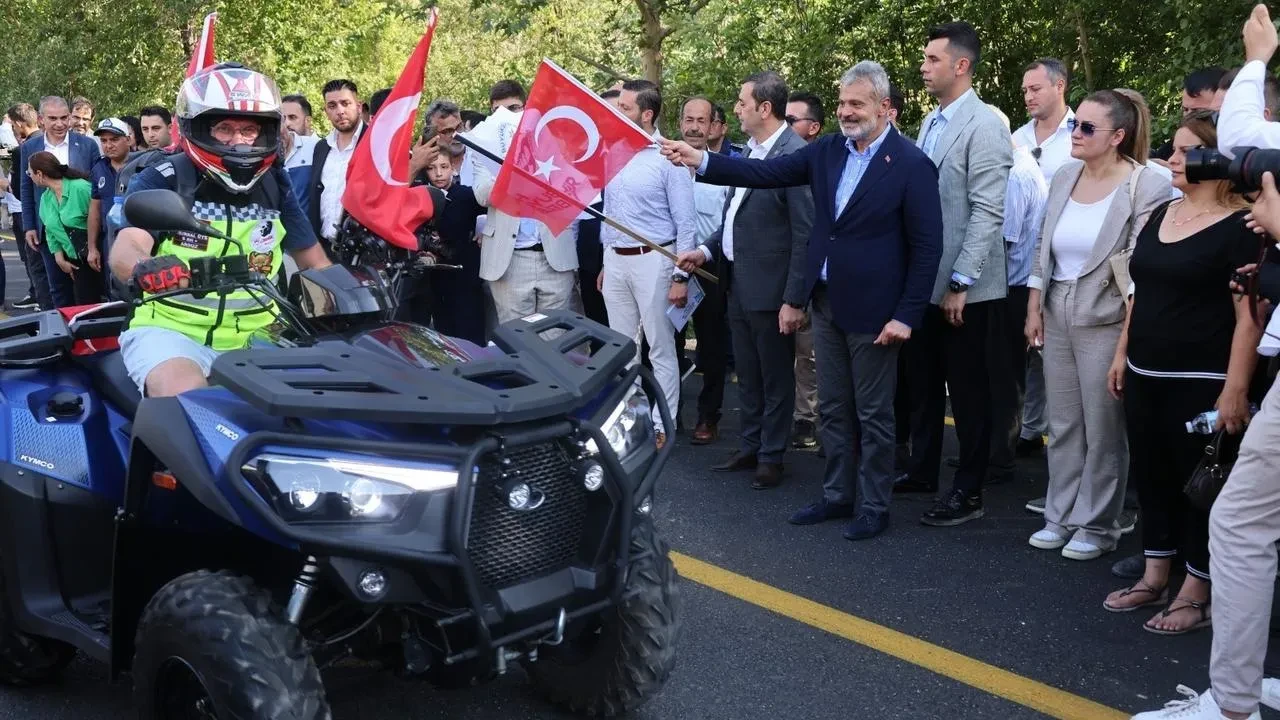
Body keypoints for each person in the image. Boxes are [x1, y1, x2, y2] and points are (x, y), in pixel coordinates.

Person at [661, 60, 943, 538]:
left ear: (884, 107)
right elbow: (767, 175)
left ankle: (874, 506)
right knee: (832, 406)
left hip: (876, 312)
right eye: (841, 103)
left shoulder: (912, 164)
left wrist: (907, 314)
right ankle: (837, 495)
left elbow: (927, 246)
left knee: (873, 413)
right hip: (827, 301)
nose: (846, 112)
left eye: (857, 103)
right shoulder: (829, 150)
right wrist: (701, 161)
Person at [1102, 111, 1261, 636]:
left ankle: (1196, 590)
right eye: (1173, 148)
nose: (1172, 158)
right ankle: (1155, 574)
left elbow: (1250, 321)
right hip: (1145, 372)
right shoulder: (1159, 214)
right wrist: (1122, 351)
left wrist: (1235, 390)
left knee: (1202, 487)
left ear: (1218, 161)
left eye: (1187, 150)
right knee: (1153, 476)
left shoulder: (1243, 230)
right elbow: (1139, 294)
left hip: (1201, 382)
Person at [110, 63, 330, 397]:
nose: (239, 141)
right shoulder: (166, 178)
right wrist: (146, 268)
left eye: (249, 130)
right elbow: (126, 248)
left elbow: (315, 263)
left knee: (313, 403)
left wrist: (353, 296)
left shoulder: (275, 186)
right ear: (198, 129)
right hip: (172, 333)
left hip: (262, 336)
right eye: (224, 129)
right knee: (191, 398)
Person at [1023, 89, 1169, 560]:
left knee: (1104, 427)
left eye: (1087, 127)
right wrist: (1033, 307)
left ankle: (1098, 525)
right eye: (1074, 125)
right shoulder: (1065, 175)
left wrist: (1128, 340)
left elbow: (1141, 271)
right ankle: (1059, 514)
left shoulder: (1145, 184)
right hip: (1057, 309)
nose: (1075, 133)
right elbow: (1043, 247)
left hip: (1108, 317)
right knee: (1062, 422)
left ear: (1118, 136)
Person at [676, 71, 815, 490]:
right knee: (749, 376)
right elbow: (732, 217)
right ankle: (752, 446)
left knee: (774, 376)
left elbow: (804, 232)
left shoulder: (794, 154)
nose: (735, 109)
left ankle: (772, 456)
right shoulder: (751, 152)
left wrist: (794, 298)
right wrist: (705, 251)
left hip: (772, 290)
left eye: (741, 102)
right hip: (736, 282)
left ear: (764, 108)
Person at [898, 22, 1013, 528]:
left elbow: (989, 210)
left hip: (966, 290)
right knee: (922, 385)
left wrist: (961, 281)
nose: (923, 67)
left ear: (961, 66)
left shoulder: (985, 124)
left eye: (932, 59)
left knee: (968, 394)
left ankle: (969, 491)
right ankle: (922, 471)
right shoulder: (931, 122)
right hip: (927, 282)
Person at [603, 79, 696, 451]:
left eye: (624, 107)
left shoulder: (668, 157)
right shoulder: (612, 152)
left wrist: (679, 275)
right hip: (616, 262)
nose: (616, 112)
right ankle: (631, 421)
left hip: (656, 261)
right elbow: (610, 213)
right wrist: (607, 260)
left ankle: (663, 423)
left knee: (660, 347)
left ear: (647, 113)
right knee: (623, 349)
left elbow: (686, 223)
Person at [19, 95, 101, 308]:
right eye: (53, 118)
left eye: (64, 117)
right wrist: (29, 225)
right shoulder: (30, 147)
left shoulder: (87, 145)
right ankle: (60, 335)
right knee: (56, 288)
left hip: (83, 233)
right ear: (40, 119)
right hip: (49, 230)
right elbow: (26, 188)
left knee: (87, 290)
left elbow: (96, 192)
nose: (60, 124)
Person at [28, 151, 101, 305]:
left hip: (95, 256)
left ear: (39, 174)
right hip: (74, 260)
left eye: (30, 173)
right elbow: (50, 230)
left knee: (97, 304)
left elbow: (99, 217)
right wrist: (58, 257)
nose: (30, 177)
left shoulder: (80, 188)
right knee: (78, 304)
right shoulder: (46, 198)